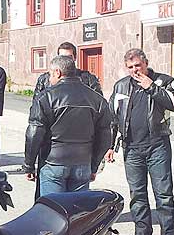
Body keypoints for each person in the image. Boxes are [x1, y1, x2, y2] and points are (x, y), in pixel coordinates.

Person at [106, 48, 174, 235]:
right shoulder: (121, 86)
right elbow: (112, 118)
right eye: (130, 67)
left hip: (157, 145)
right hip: (131, 147)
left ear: (146, 63)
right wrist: (110, 145)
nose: (135, 70)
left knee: (163, 193)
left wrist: (152, 87)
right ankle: (142, 232)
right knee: (137, 193)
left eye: (138, 65)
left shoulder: (164, 81)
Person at [23, 55, 113, 194]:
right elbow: (105, 136)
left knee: (53, 206)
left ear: (57, 72)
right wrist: (93, 165)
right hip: (82, 163)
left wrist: (29, 165)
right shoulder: (97, 99)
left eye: (50, 74)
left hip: (53, 162)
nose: (49, 79)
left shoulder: (46, 97)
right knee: (77, 206)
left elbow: (34, 133)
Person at [33, 41, 102, 97]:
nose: (65, 60)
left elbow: (100, 104)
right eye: (62, 57)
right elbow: (36, 105)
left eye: (69, 57)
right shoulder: (44, 80)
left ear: (75, 58)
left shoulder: (89, 79)